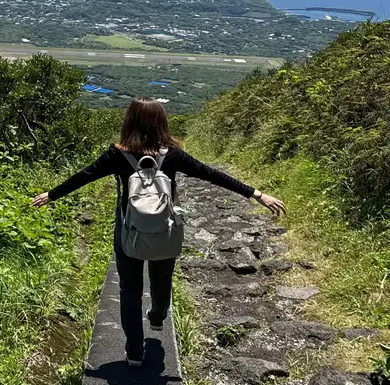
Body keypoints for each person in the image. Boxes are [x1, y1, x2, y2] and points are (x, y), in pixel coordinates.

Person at [28, 97, 286, 367]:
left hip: (129, 230)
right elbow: (212, 174)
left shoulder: (117, 154)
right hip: (165, 229)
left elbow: (84, 175)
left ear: (129, 122)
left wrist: (52, 194)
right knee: (162, 280)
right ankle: (158, 316)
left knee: (130, 290)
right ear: (162, 122)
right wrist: (256, 194)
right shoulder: (172, 154)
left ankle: (134, 353)